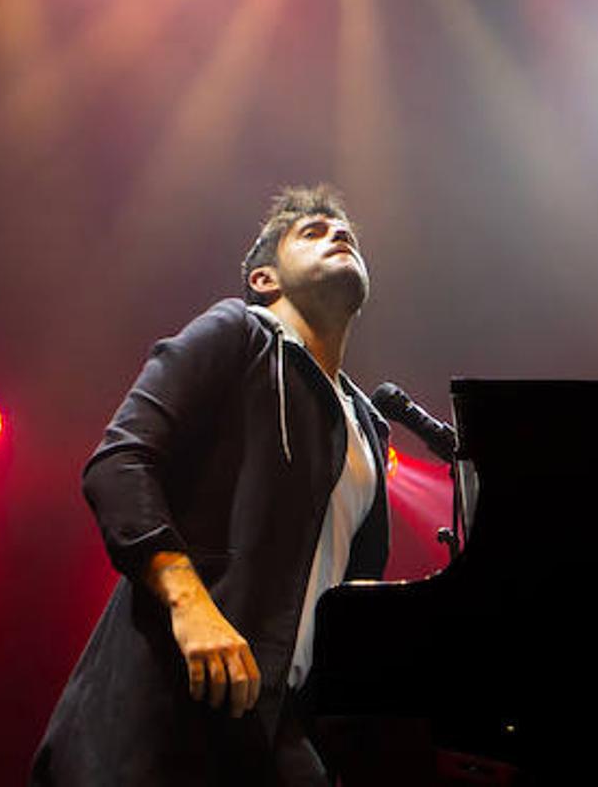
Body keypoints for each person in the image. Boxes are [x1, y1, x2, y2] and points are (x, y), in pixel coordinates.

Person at [32, 184, 392, 786]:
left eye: (346, 233)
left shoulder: (366, 425)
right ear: (264, 280)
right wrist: (191, 604)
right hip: (177, 696)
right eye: (313, 232)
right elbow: (120, 460)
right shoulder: (238, 334)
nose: (339, 235)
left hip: (278, 719)